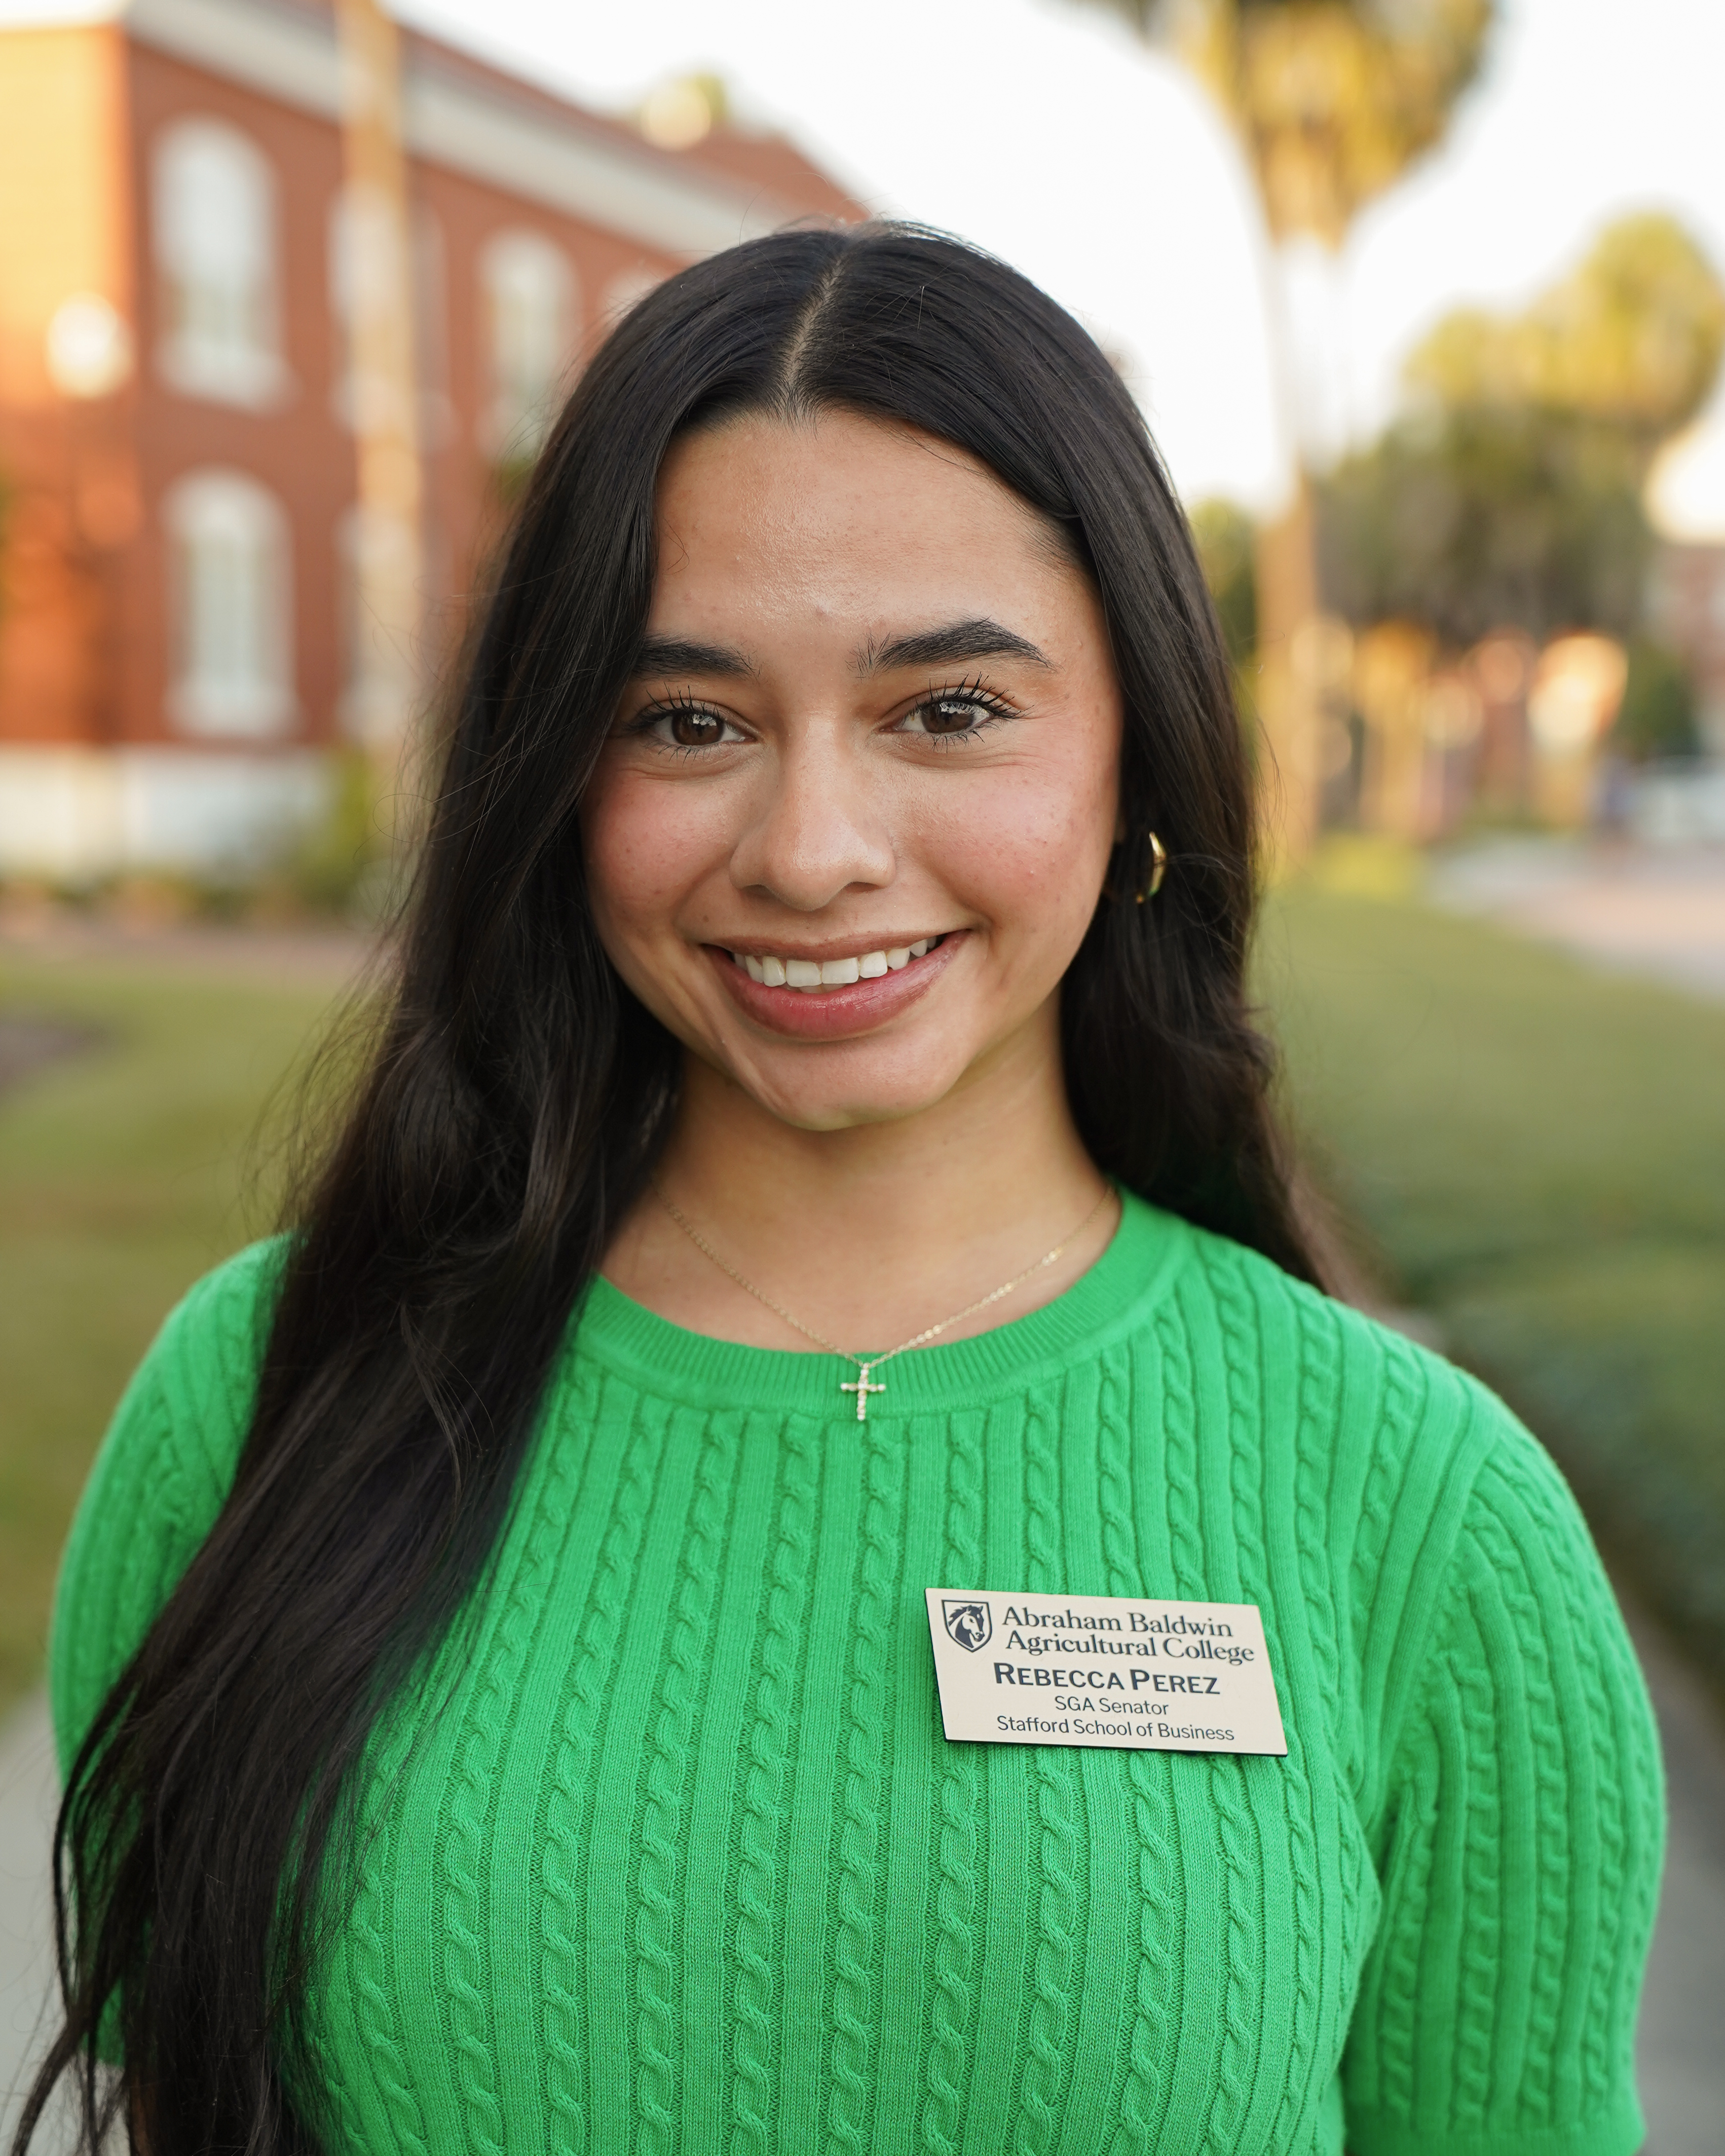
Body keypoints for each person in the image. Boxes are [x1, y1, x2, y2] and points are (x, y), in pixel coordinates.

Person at [25, 225, 1661, 2156]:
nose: (811, 851)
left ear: (1135, 745)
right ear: (559, 770)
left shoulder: (1427, 1519)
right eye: (688, 721)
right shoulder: (260, 1402)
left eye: (947, 709)